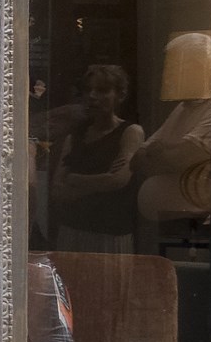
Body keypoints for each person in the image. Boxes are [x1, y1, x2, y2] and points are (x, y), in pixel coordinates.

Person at [51, 62, 144, 253]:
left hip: (111, 232)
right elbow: (58, 191)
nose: (93, 96)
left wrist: (74, 179)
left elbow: (118, 180)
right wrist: (101, 181)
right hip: (73, 229)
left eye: (102, 90)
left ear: (120, 95)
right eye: (88, 90)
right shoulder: (75, 135)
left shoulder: (130, 132)